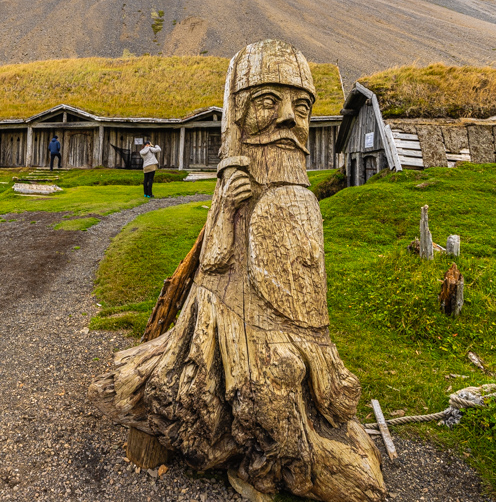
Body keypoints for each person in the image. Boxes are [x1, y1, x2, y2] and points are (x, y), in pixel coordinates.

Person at [91, 40, 386, 501]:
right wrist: (227, 209)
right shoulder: (235, 178)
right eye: (269, 101)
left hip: (304, 331)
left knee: (312, 379)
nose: (290, 117)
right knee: (267, 379)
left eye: (302, 106)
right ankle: (256, 452)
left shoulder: (302, 188)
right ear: (239, 112)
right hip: (238, 320)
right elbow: (212, 262)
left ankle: (306, 432)